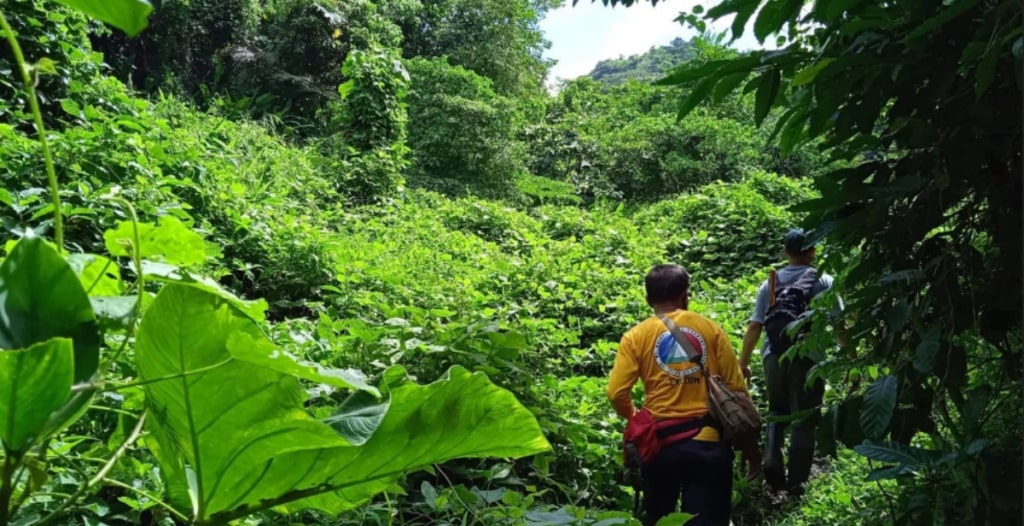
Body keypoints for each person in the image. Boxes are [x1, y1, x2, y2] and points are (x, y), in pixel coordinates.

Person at [607, 264, 750, 526]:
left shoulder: (635, 336)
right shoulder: (711, 329)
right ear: (685, 295)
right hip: (709, 442)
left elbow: (616, 393)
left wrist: (634, 415)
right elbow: (736, 388)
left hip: (660, 446)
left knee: (661, 519)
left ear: (648, 299)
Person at [737, 228, 836, 497]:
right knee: (804, 419)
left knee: (777, 412)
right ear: (813, 251)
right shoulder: (823, 280)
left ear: (785, 252)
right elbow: (840, 324)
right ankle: (797, 485)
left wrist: (742, 362)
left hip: (773, 357)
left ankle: (772, 462)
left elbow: (755, 326)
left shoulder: (769, 283)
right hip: (809, 359)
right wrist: (852, 358)